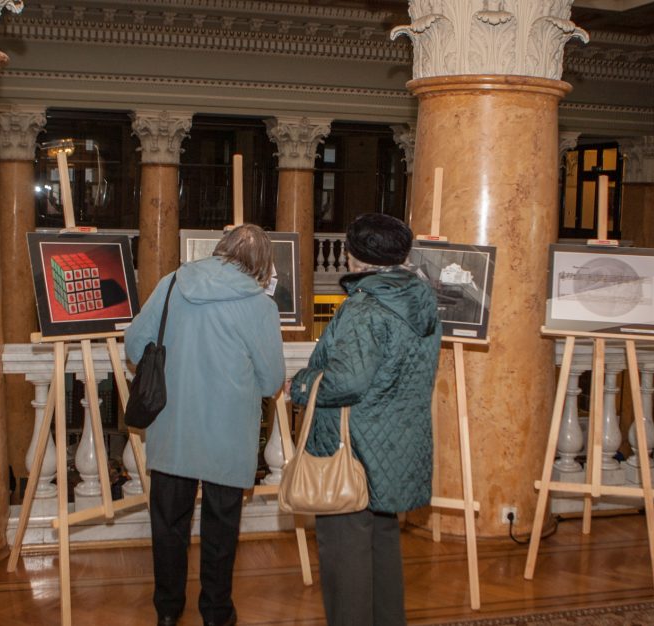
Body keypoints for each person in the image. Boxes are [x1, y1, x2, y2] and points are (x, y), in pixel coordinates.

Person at [124, 223, 285, 626]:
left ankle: (167, 611)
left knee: (168, 527)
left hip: (173, 428)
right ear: (263, 264)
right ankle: (215, 613)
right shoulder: (261, 307)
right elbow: (270, 381)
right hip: (228, 436)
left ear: (220, 249)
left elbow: (133, 344)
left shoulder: (173, 283)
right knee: (220, 531)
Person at [289, 213, 441, 626]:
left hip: (354, 448)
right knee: (382, 544)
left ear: (354, 257)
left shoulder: (367, 308)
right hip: (396, 442)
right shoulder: (422, 298)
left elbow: (347, 381)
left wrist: (300, 384)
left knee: (346, 556)